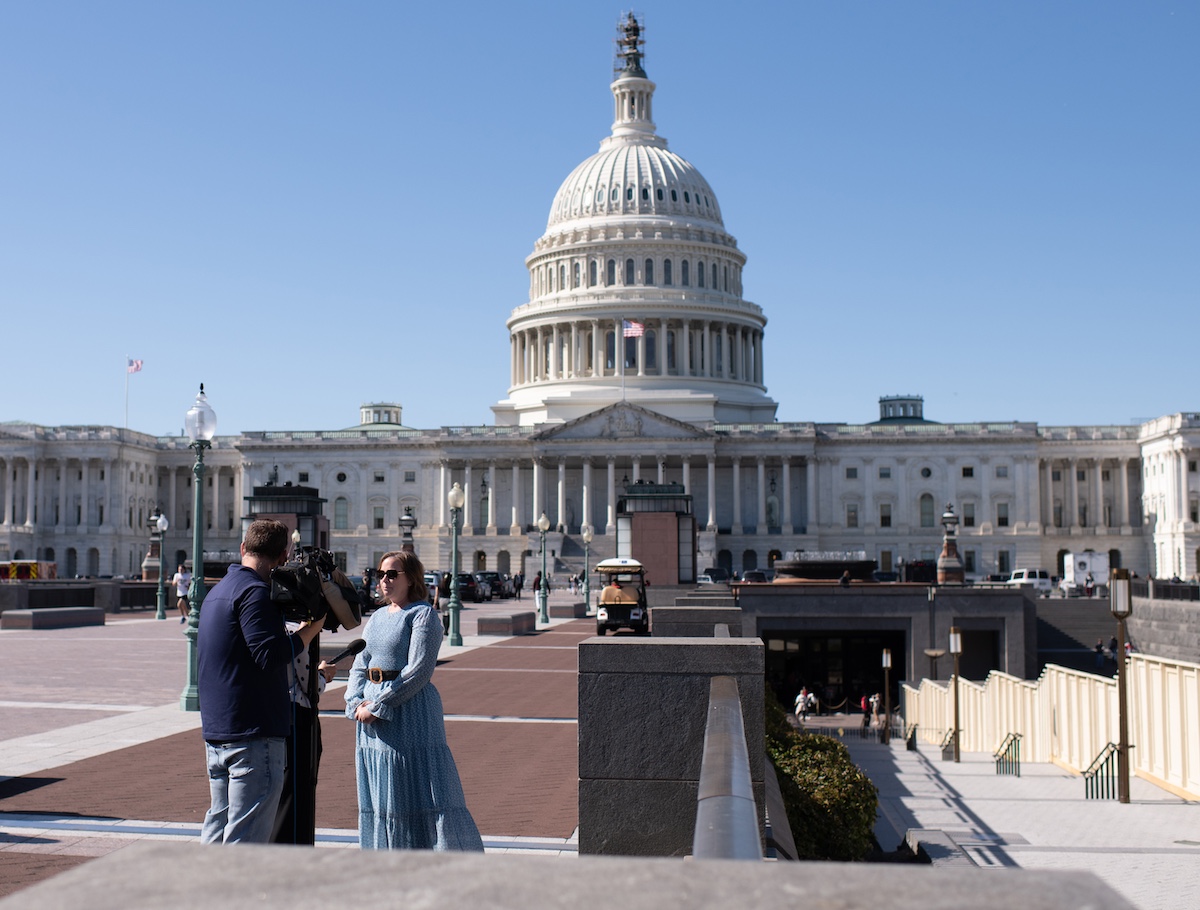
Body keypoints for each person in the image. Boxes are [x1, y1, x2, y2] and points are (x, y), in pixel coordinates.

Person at [197, 519, 325, 845]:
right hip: (253, 735)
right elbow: (269, 655)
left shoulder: (218, 592)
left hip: (219, 730)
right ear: (283, 556)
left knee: (217, 828)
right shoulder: (254, 593)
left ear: (243, 548)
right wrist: (310, 630)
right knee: (246, 840)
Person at [345, 551, 483, 851]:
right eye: (381, 573)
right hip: (369, 715)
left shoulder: (423, 615)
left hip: (408, 712)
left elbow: (418, 670)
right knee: (382, 790)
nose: (384, 580)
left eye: (393, 574)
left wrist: (380, 705)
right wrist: (354, 701)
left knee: (412, 787)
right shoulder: (378, 617)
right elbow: (360, 662)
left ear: (412, 579)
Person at [272, 621, 338, 845]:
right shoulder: (296, 633)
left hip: (273, 713)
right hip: (297, 715)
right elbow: (309, 684)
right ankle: (291, 842)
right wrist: (323, 674)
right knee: (296, 787)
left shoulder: (267, 625)